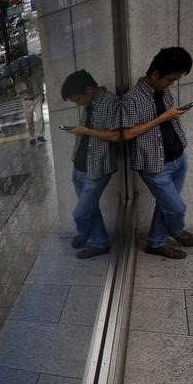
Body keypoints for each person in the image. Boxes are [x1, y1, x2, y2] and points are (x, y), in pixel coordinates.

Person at [122, 47, 193, 259]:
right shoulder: (131, 99)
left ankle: (155, 243)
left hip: (178, 158)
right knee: (176, 208)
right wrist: (162, 118)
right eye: (170, 79)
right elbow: (126, 133)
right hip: (155, 164)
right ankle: (176, 230)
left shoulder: (164, 91)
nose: (171, 84)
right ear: (155, 74)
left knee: (166, 205)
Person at [61, 70, 122, 259]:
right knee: (90, 208)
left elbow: (117, 135)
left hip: (97, 168)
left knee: (80, 214)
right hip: (79, 167)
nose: (77, 103)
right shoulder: (89, 103)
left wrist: (86, 130)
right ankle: (99, 242)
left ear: (89, 89)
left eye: (78, 99)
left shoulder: (110, 102)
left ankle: (85, 232)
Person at [13, 55, 46, 144]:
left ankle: (40, 135)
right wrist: (22, 90)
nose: (26, 69)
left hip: (37, 97)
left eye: (27, 67)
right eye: (24, 68)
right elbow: (17, 89)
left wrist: (42, 95)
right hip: (26, 100)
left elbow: (40, 83)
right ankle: (31, 136)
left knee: (39, 117)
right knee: (29, 120)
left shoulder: (35, 73)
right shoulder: (18, 78)